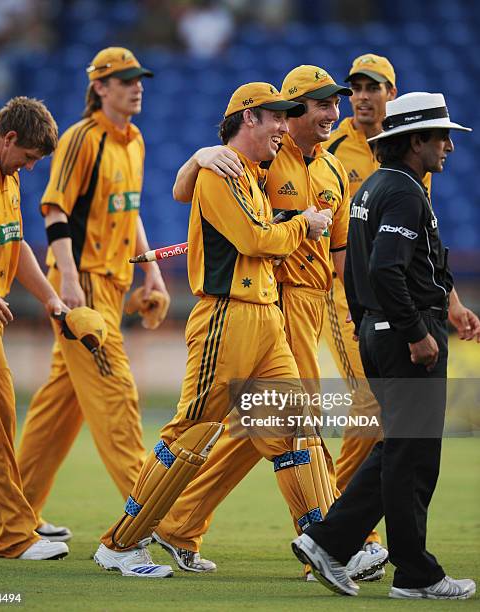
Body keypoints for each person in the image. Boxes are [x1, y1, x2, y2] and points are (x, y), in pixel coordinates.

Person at [93, 81, 343, 578]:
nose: (282, 127)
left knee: (296, 429)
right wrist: (305, 225)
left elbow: (252, 222)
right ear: (249, 118)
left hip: (267, 317)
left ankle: (326, 546)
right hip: (227, 317)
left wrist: (203, 160)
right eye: (275, 117)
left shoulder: (249, 171)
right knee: (192, 433)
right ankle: (120, 545)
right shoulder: (221, 172)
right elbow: (256, 238)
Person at [150, 65, 387, 581]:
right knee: (298, 421)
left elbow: (340, 249)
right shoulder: (264, 155)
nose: (332, 113)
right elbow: (186, 192)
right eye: (320, 105)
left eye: (334, 105)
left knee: (259, 427)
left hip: (317, 301)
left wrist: (360, 308)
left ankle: (178, 525)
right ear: (291, 112)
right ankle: (342, 539)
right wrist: (196, 156)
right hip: (269, 301)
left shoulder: (332, 173)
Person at [293, 92, 477, 600]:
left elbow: (357, 269)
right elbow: (384, 268)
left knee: (400, 450)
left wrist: (371, 323)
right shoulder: (402, 193)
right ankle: (415, 574)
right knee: (414, 458)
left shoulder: (375, 187)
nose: (448, 147)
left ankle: (328, 542)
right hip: (404, 335)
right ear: (413, 141)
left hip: (381, 331)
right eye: (440, 136)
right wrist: (416, 333)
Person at [16, 47, 169, 542]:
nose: (136, 86)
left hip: (114, 284)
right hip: (82, 288)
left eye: (138, 79)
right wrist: (66, 279)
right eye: (125, 80)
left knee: (58, 410)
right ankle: (152, 523)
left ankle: (15, 511)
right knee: (117, 399)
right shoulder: (81, 139)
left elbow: (130, 211)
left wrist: (153, 272)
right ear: (99, 87)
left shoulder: (135, 141)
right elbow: (54, 208)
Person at [323, 54, 480, 521]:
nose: (362, 97)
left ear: (393, 96)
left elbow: (421, 241)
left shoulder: (418, 161)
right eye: (355, 89)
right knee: (376, 410)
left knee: (385, 418)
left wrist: (451, 302)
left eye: (374, 88)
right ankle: (338, 530)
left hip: (388, 299)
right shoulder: (331, 151)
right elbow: (343, 244)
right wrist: (362, 305)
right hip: (347, 295)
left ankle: (337, 532)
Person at [0, 96, 69, 560]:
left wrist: (50, 298)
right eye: (27, 158)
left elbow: (15, 243)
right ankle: (12, 536)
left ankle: (19, 518)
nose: (28, 167)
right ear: (8, 139)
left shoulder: (4, 179)